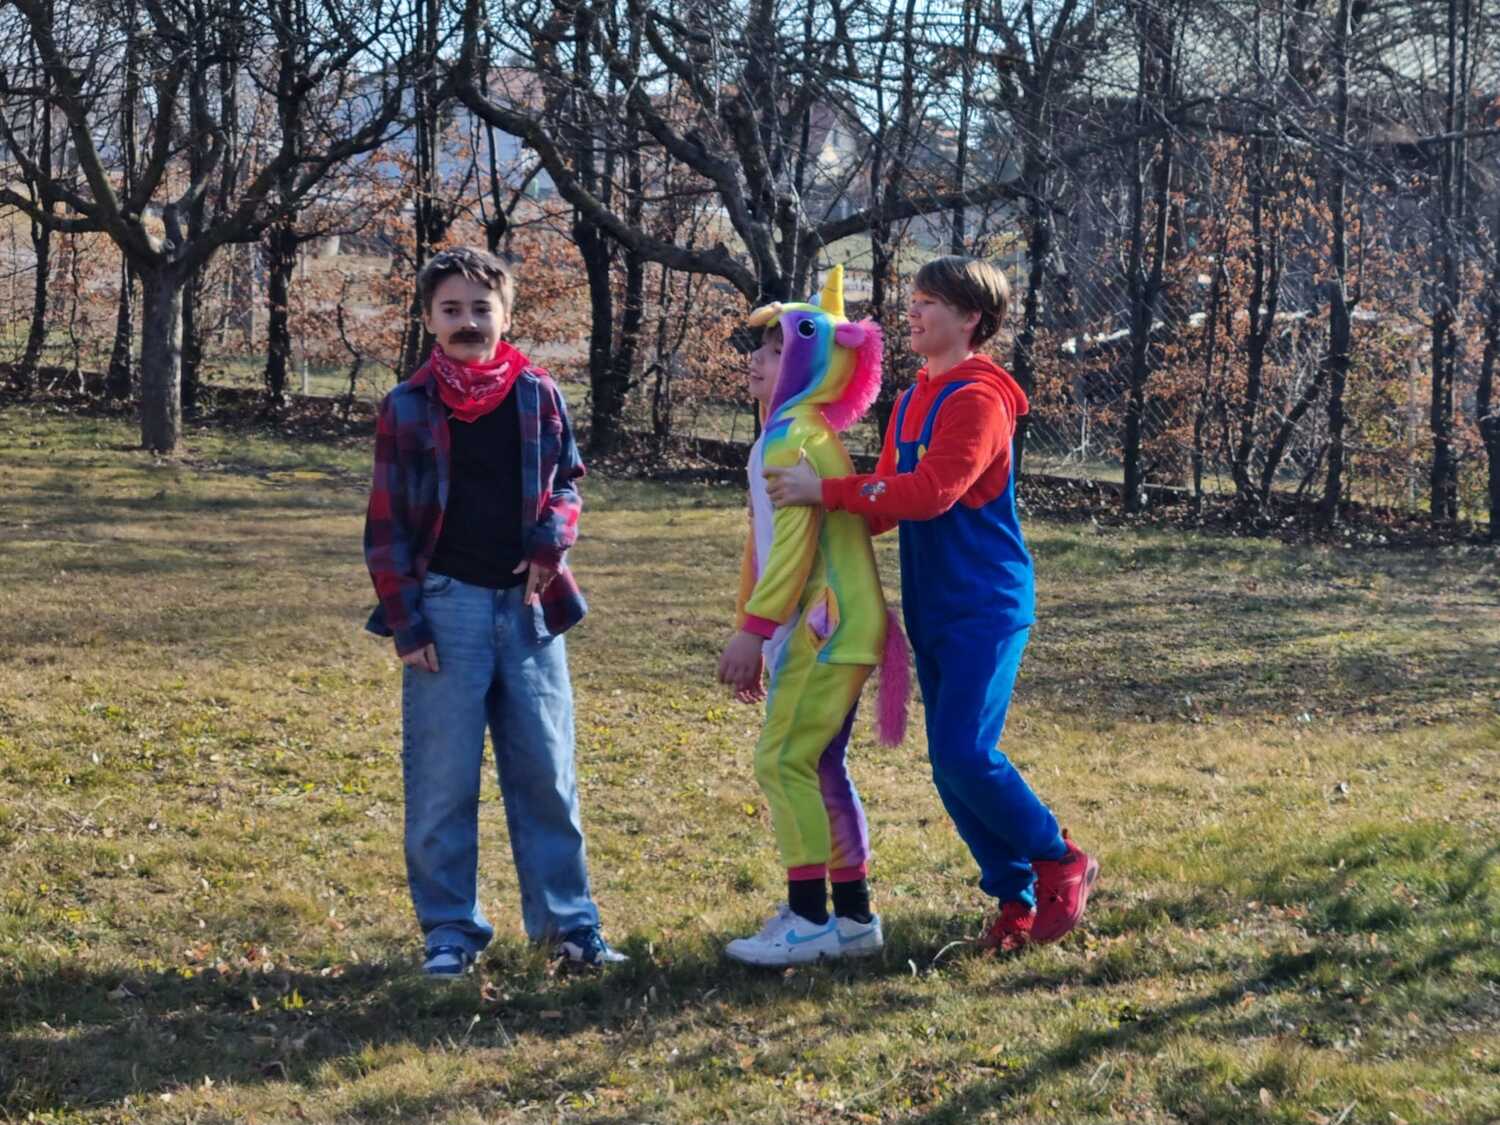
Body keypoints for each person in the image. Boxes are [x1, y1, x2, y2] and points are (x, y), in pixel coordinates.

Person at [765, 256, 1098, 952]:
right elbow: (888, 502)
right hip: (933, 607)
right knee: (949, 766)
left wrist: (827, 492)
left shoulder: (979, 398)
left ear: (971, 317)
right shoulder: (915, 397)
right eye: (913, 299)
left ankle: (1060, 858)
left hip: (986, 605)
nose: (912, 312)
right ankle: (1015, 897)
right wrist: (816, 529)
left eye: (929, 302)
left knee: (966, 755)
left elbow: (932, 492)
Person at [364, 246, 625, 978]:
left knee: (547, 776)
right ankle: (450, 932)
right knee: (442, 782)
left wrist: (551, 540)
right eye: (451, 309)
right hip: (445, 610)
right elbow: (386, 527)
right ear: (429, 319)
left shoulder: (538, 393)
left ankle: (569, 929)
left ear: (506, 316)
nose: (468, 322)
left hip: (531, 611)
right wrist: (406, 623)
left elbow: (567, 484)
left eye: (482, 308)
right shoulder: (407, 405)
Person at [717, 265, 910, 967]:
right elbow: (764, 544)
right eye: (760, 349)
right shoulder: (790, 433)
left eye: (775, 352)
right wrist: (758, 630)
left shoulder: (791, 440)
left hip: (827, 626)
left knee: (784, 759)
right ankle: (852, 919)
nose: (757, 360)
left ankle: (807, 918)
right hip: (832, 626)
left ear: (810, 366)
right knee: (820, 762)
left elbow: (796, 549)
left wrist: (753, 632)